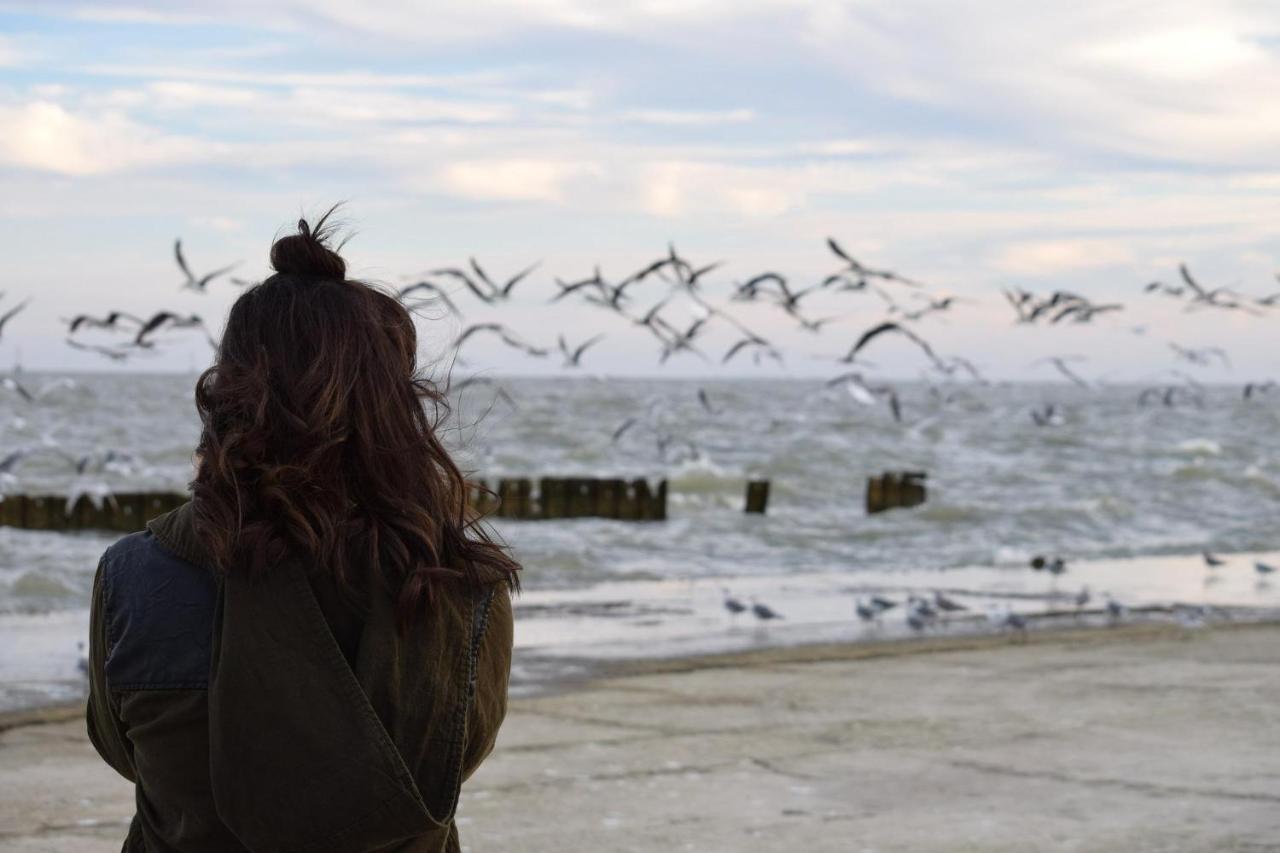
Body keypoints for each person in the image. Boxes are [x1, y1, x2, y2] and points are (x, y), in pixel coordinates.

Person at [85, 209, 519, 852]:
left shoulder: (138, 574)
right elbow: (457, 756)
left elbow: (124, 752)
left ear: (229, 397)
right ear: (395, 409)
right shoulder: (461, 587)